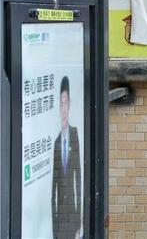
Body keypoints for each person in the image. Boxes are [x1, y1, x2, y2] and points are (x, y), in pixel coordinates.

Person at [51, 76, 81, 239]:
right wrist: (54, 228)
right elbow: (53, 191)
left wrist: (79, 223)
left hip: (73, 218)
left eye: (65, 103)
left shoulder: (75, 134)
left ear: (69, 105)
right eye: (60, 104)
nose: (63, 109)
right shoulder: (56, 143)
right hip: (59, 221)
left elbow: (79, 179)